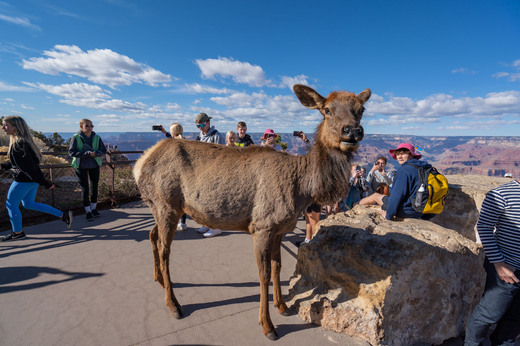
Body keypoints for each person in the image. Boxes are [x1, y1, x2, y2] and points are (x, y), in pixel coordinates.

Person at [464, 179, 520, 346]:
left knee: (516, 316)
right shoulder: (501, 194)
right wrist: (499, 264)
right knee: (489, 314)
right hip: (507, 267)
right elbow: (484, 227)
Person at [0, 116, 73, 241]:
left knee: (11, 204)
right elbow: (18, 163)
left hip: (24, 180)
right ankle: (63, 215)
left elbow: (30, 168)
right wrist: (4, 166)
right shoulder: (23, 142)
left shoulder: (19, 144)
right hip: (31, 180)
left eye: (5, 125)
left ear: (15, 127)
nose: (3, 127)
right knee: (28, 204)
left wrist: (45, 183)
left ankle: (17, 233)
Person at [359, 143, 434, 221]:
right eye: (398, 154)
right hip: (421, 210)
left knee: (375, 196)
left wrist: (389, 215)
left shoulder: (405, 170)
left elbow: (396, 197)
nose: (399, 157)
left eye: (403, 154)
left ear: (411, 155)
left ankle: (355, 205)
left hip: (407, 211)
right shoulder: (424, 168)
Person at [69, 118, 107, 221]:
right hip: (81, 166)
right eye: (87, 126)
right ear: (81, 126)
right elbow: (72, 152)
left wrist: (98, 153)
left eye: (91, 126)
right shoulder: (76, 137)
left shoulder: (97, 137)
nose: (90, 128)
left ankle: (94, 209)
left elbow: (103, 150)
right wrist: (86, 154)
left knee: (94, 187)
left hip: (94, 165)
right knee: (85, 189)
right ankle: (88, 212)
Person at [194, 113, 223, 237]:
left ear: (208, 123)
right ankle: (206, 224)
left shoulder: (216, 136)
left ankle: (216, 227)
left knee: (214, 200)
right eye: (198, 126)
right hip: (203, 172)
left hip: (214, 172)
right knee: (204, 200)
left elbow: (221, 154)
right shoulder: (200, 136)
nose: (200, 127)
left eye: (201, 124)